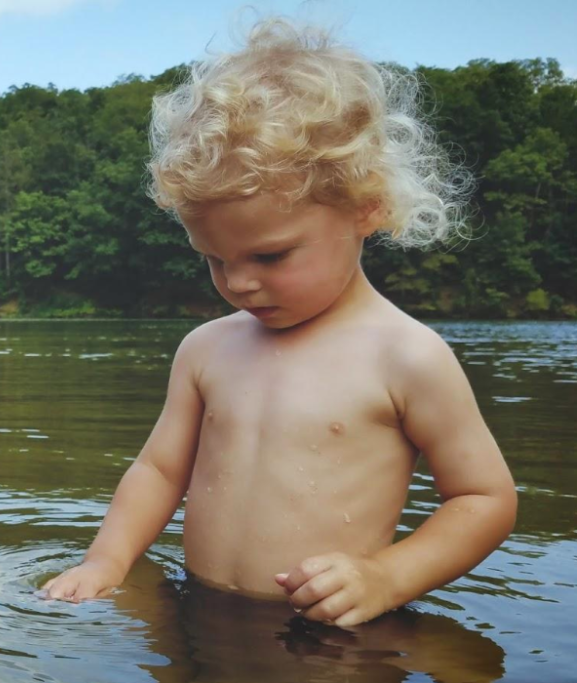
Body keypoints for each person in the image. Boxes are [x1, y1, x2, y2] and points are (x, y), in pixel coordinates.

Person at [39, 17, 517, 627]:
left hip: (328, 633)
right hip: (195, 615)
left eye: (270, 256)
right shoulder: (205, 349)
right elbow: (158, 470)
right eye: (214, 259)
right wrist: (105, 563)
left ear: (366, 208)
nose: (237, 282)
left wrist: (387, 577)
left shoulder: (405, 357)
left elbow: (484, 499)